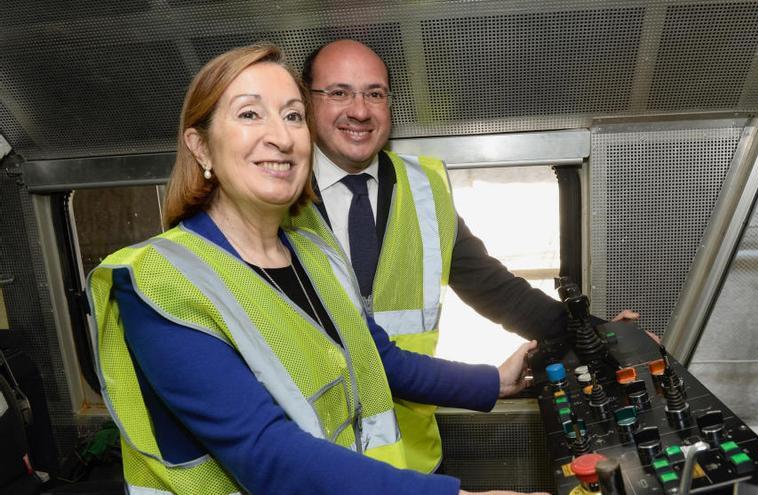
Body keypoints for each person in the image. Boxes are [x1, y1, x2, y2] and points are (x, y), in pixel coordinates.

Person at [87, 43, 547, 495]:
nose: (282, 137)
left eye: (292, 115)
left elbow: (377, 360)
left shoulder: (315, 253)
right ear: (200, 146)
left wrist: (495, 381)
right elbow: (264, 451)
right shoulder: (157, 280)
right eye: (250, 114)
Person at [289, 39, 640, 473]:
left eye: (375, 94)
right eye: (339, 92)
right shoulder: (274, 191)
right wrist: (485, 382)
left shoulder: (425, 189)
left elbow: (494, 289)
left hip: (410, 459)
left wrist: (606, 338)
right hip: (311, 462)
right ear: (305, 101)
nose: (360, 110)